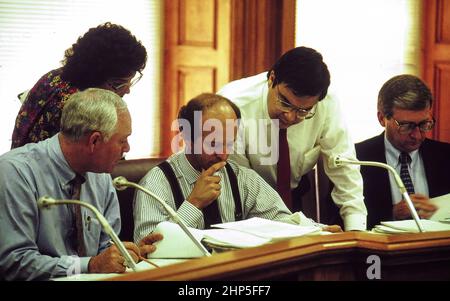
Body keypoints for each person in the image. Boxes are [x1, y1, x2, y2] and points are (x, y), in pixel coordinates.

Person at [133, 93, 341, 243]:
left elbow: (279, 218)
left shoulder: (240, 177)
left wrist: (318, 231)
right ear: (186, 136)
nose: (223, 155)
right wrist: (193, 203)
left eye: (229, 144)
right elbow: (147, 248)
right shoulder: (156, 183)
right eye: (213, 144)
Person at [0, 88, 162, 281]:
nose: (127, 148)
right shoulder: (16, 172)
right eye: (122, 140)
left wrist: (127, 254)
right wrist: (90, 265)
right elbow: (14, 262)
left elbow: (104, 249)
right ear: (94, 141)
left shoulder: (100, 174)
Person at [217, 46, 367, 231]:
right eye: (285, 102)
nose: (290, 116)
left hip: (292, 200)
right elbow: (242, 186)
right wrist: (308, 229)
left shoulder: (326, 103)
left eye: (303, 111)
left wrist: (356, 229)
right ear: (272, 79)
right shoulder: (233, 104)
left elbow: (345, 169)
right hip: (240, 205)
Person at [11, 22, 147, 149]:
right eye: (119, 84)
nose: (127, 90)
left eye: (131, 81)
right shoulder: (82, 108)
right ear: (94, 77)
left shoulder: (54, 76)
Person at [355, 74, 450, 229]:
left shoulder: (446, 156)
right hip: (378, 251)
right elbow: (335, 220)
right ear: (381, 118)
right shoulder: (357, 158)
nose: (417, 135)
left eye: (425, 124)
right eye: (406, 126)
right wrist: (392, 214)